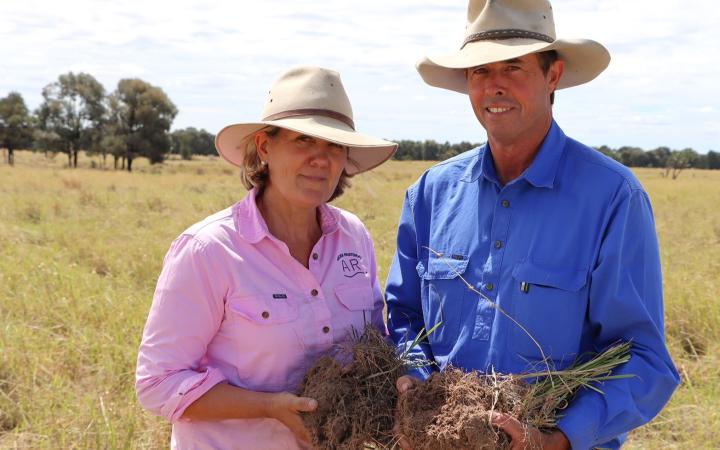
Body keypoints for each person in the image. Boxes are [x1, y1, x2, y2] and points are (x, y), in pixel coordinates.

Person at [385, 1, 680, 449]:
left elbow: (644, 359)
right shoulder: (430, 194)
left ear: (553, 76)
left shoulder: (612, 198)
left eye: (514, 67)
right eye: (480, 71)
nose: (494, 86)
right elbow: (404, 314)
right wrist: (416, 384)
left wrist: (555, 438)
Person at [135, 66, 397, 449]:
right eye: (303, 141)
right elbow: (157, 384)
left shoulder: (353, 237)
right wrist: (269, 407)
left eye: (334, 146)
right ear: (264, 147)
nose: (320, 159)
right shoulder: (210, 250)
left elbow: (373, 344)